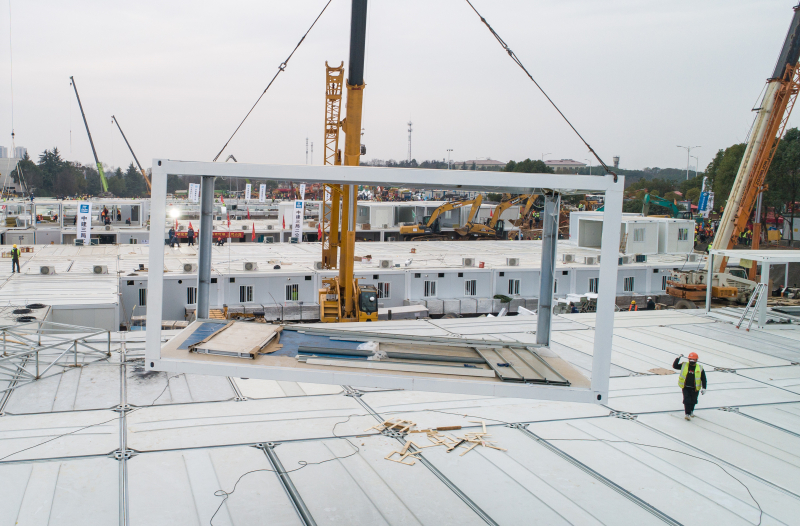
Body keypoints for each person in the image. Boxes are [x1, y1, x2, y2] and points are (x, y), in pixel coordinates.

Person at [673, 352, 707, 420]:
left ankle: (691, 411)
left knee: (693, 401)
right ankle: (687, 414)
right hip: (686, 387)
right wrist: (678, 358)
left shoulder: (700, 368)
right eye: (690, 359)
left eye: (693, 359)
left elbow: (703, 378)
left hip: (695, 388)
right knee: (687, 400)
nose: (691, 361)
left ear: (696, 360)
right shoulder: (684, 365)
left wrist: (704, 388)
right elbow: (675, 366)